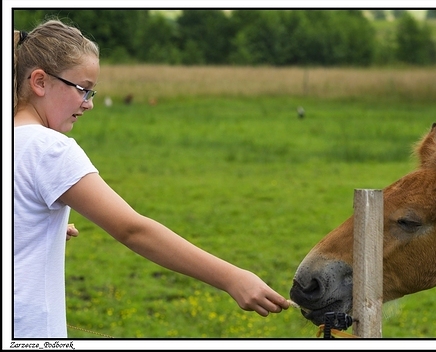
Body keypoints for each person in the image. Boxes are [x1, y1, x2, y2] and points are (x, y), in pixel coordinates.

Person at [13, 19, 290, 338]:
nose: (88, 103)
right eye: (83, 89)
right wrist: (231, 278)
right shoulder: (51, 149)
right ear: (39, 82)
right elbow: (132, 229)